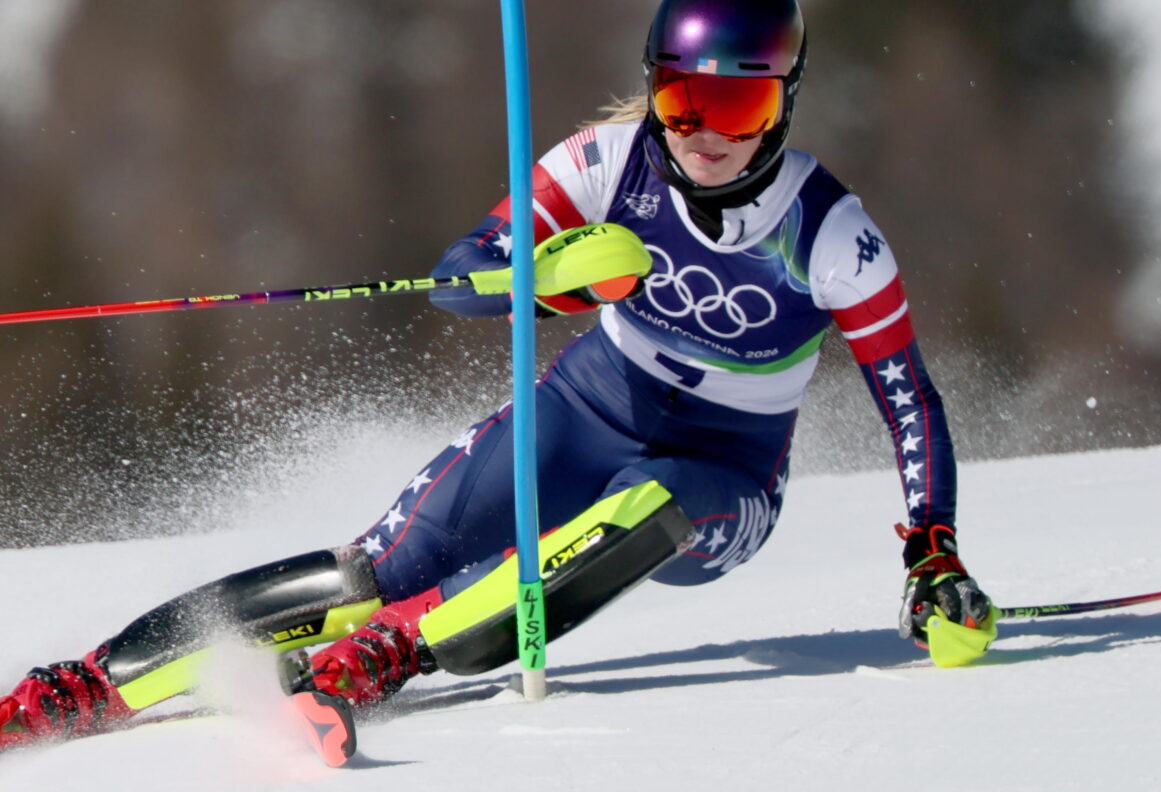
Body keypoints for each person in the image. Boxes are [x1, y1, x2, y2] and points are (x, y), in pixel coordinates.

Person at [0, 0, 993, 750]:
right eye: (683, 98)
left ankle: (390, 655)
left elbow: (908, 399)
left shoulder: (833, 236)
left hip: (722, 476)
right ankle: (89, 683)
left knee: (648, 505)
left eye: (739, 102)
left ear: (784, 104)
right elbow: (454, 279)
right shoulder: (608, 164)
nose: (705, 132)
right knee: (374, 569)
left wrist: (931, 554)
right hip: (587, 407)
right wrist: (547, 276)